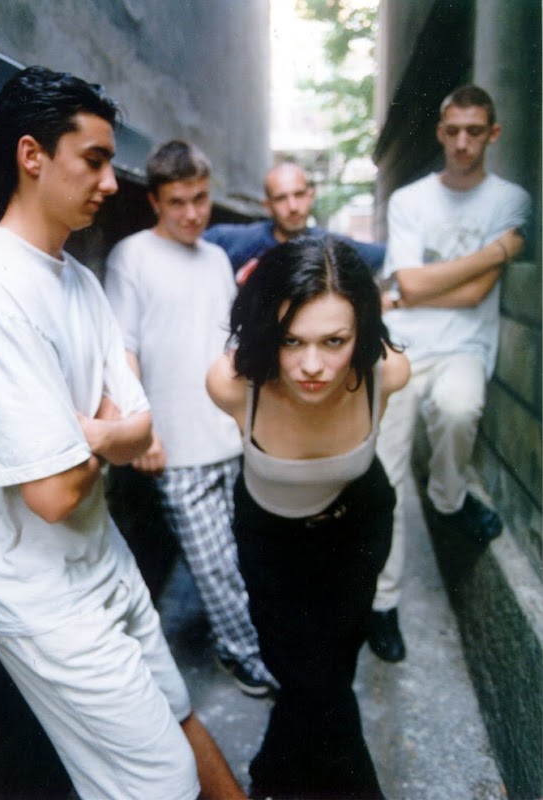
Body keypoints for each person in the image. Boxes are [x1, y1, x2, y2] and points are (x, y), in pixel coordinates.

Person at [0, 66, 248, 800]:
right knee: (160, 781)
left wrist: (89, 433)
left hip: (103, 554)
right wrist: (112, 431)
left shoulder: (79, 279)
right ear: (32, 156)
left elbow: (143, 424)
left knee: (180, 713)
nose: (108, 182)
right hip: (40, 593)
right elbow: (53, 493)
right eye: (94, 160)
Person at [207, 235, 410, 800]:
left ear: (361, 333)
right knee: (306, 676)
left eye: (334, 341)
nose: (313, 366)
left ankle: (275, 773)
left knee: (330, 674)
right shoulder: (232, 384)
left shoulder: (388, 373)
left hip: (358, 526)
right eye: (290, 340)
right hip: (271, 541)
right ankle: (308, 778)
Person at [368, 85, 532, 663]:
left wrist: (417, 288)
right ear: (440, 133)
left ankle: (448, 497)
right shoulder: (410, 200)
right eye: (453, 131)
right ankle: (382, 604)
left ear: (493, 134)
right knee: (383, 476)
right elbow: (409, 283)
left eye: (474, 131)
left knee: (460, 409)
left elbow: (472, 294)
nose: (462, 143)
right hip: (403, 345)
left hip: (464, 345)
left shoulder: (510, 200)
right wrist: (497, 252)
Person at [105, 139, 274, 697]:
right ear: (154, 200)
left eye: (200, 199)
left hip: (230, 435)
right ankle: (242, 653)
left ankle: (251, 640)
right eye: (178, 202)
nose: (192, 213)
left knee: (242, 552)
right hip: (177, 446)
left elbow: (231, 346)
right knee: (215, 564)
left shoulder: (216, 259)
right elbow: (121, 350)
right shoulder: (131, 257)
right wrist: (144, 428)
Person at [204, 160, 385, 281]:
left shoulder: (331, 245)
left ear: (310, 196)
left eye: (298, 195)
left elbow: (390, 254)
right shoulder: (239, 241)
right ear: (267, 206)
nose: (292, 207)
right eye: (281, 198)